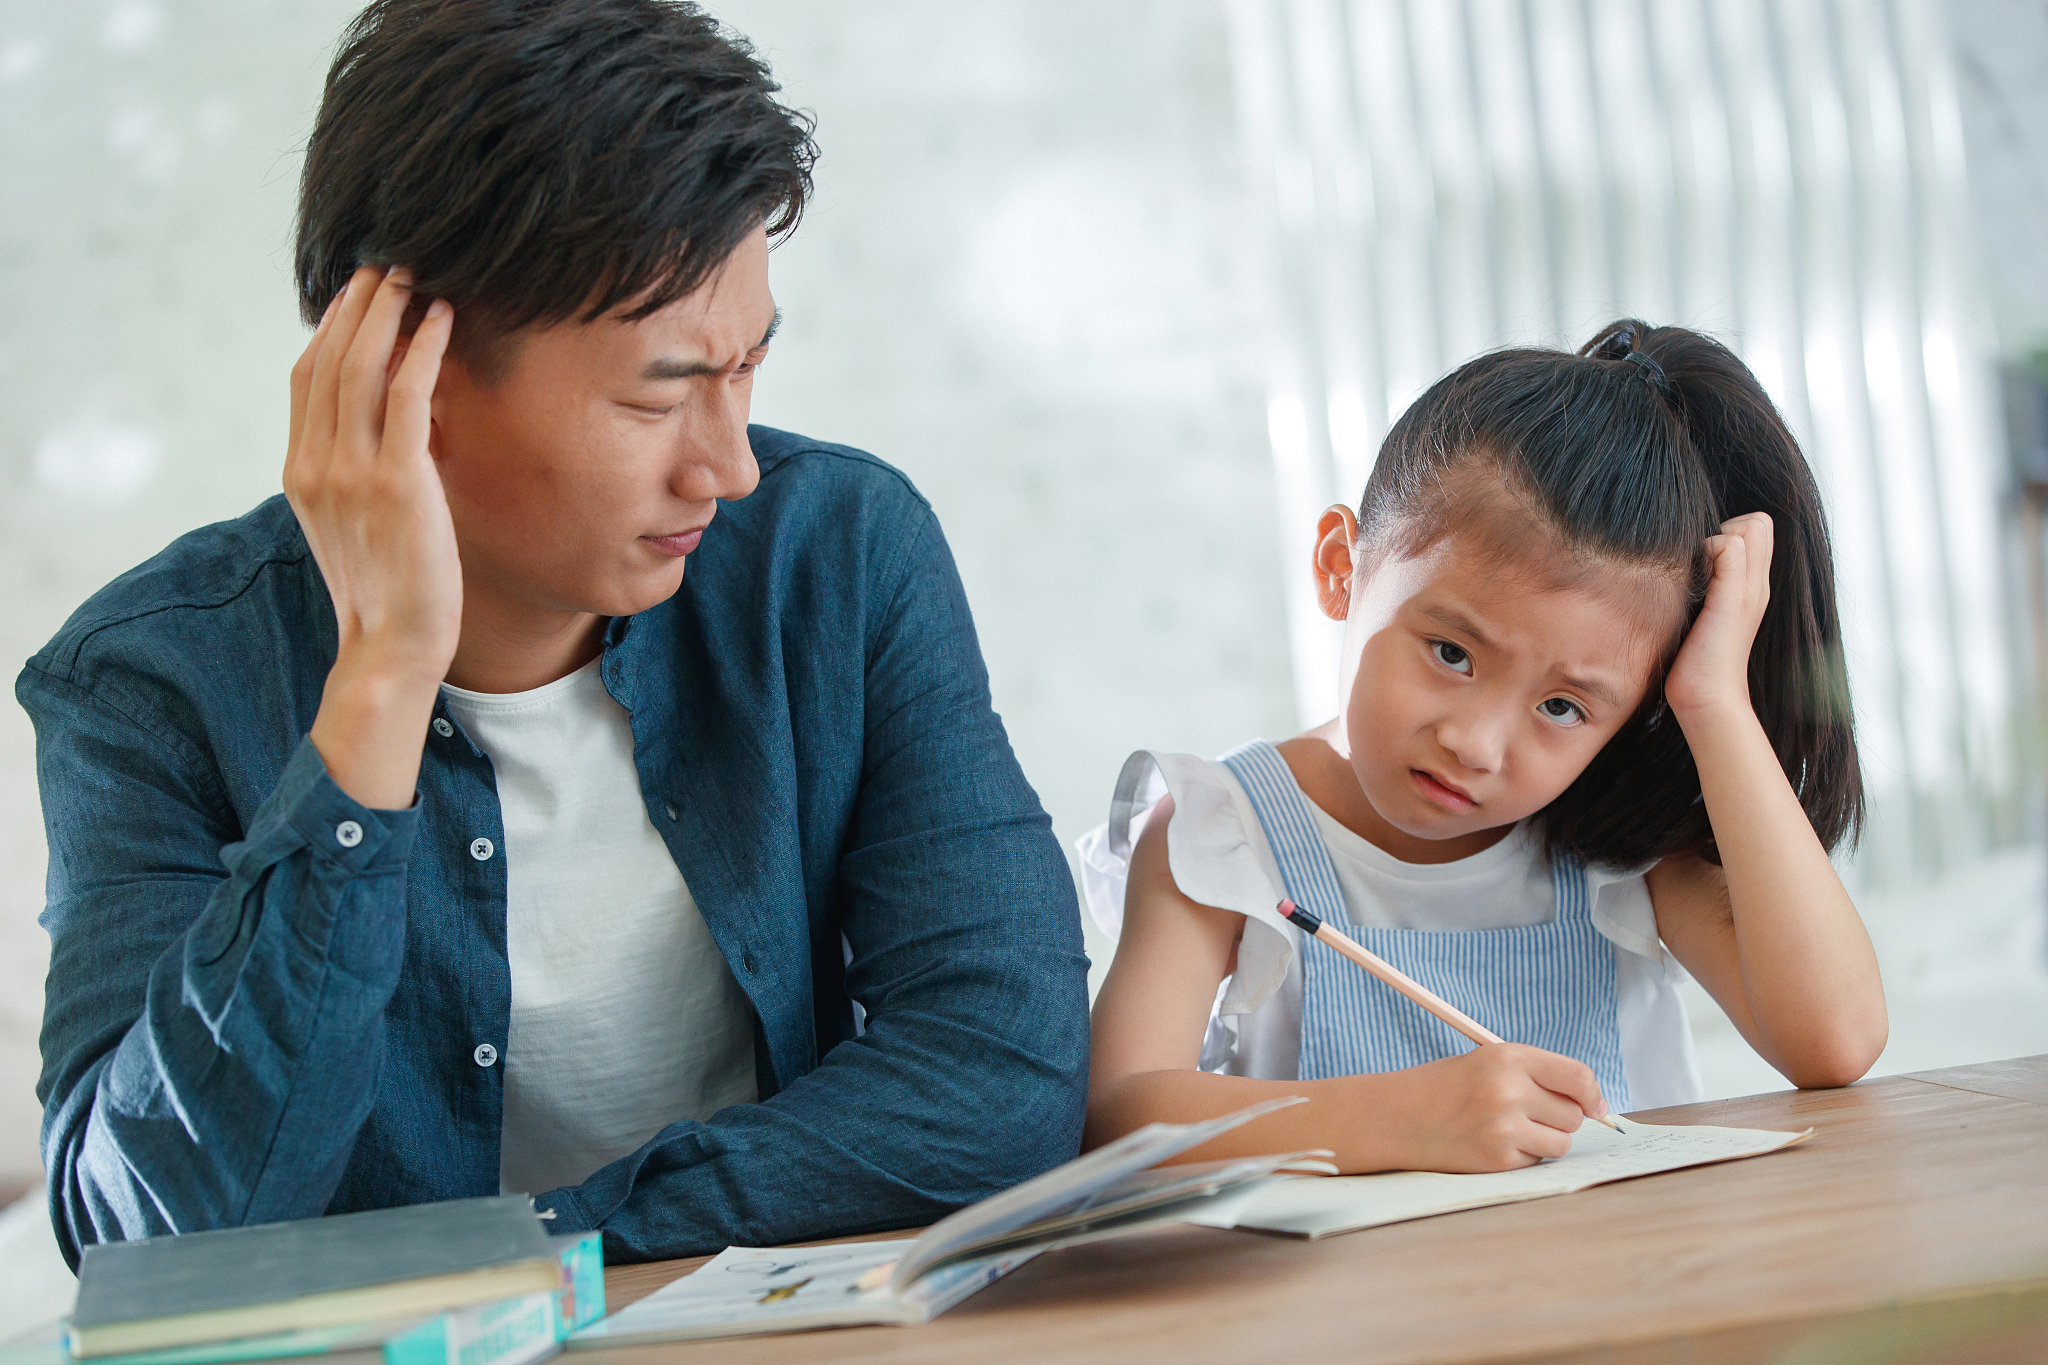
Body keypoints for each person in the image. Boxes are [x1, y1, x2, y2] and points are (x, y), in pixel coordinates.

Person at [20, 0, 1088, 1268]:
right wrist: (377, 688)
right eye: (663, 392)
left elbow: (998, 1073)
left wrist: (545, 1243)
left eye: (745, 368)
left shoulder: (838, 557)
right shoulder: (147, 683)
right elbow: (141, 1233)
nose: (729, 467)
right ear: (409, 374)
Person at [1081, 322, 1888, 1173]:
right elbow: (1119, 1116)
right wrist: (1404, 1117)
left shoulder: (1612, 839)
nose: (1474, 743)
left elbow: (1834, 1042)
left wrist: (1714, 701)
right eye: (1452, 654)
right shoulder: (1222, 831)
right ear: (1339, 568)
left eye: (1564, 706)